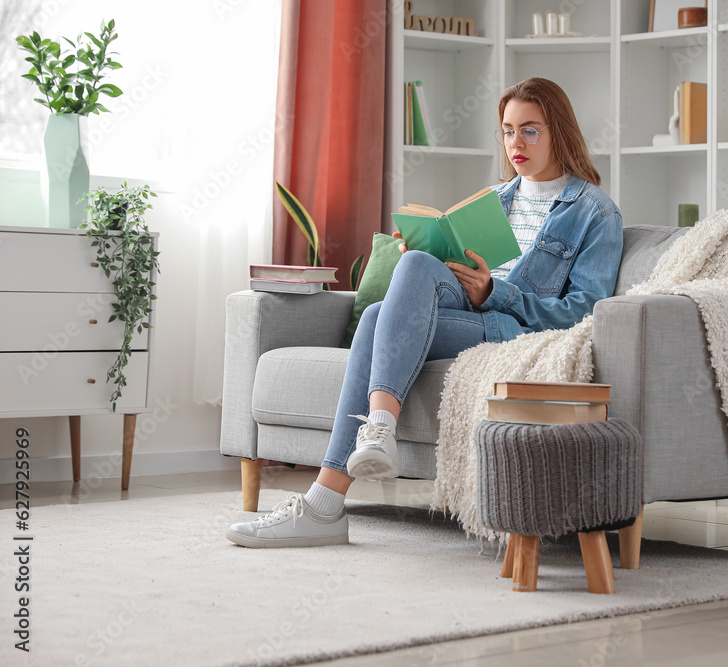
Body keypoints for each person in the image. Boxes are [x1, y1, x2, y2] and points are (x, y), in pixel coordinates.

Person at [226, 77, 624, 548]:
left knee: (376, 320)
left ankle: (328, 501)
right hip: (470, 311)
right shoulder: (494, 200)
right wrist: (428, 253)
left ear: (559, 131)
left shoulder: (594, 213)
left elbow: (583, 313)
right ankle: (371, 440)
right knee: (405, 274)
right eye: (508, 130)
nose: (516, 143)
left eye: (531, 130)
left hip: (513, 329)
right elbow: (455, 275)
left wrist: (495, 292)